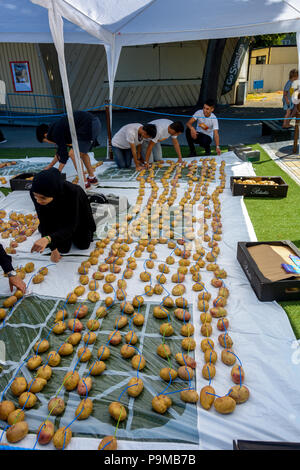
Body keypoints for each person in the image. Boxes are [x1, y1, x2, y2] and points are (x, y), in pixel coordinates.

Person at [30, 168, 96, 263]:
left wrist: (49, 238)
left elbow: (71, 225)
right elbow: (44, 220)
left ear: (54, 193)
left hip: (78, 218)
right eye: (36, 196)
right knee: (63, 249)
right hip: (56, 218)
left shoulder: (74, 193)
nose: (38, 201)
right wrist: (53, 249)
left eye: (43, 198)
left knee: (83, 245)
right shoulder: (35, 192)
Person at [36, 110, 102, 188]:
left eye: (45, 141)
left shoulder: (54, 132)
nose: (49, 143)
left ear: (45, 135)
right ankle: (92, 178)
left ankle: (84, 183)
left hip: (89, 125)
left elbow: (64, 156)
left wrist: (57, 173)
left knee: (73, 154)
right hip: (95, 122)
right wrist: (50, 166)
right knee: (82, 153)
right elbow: (60, 151)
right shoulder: (56, 128)